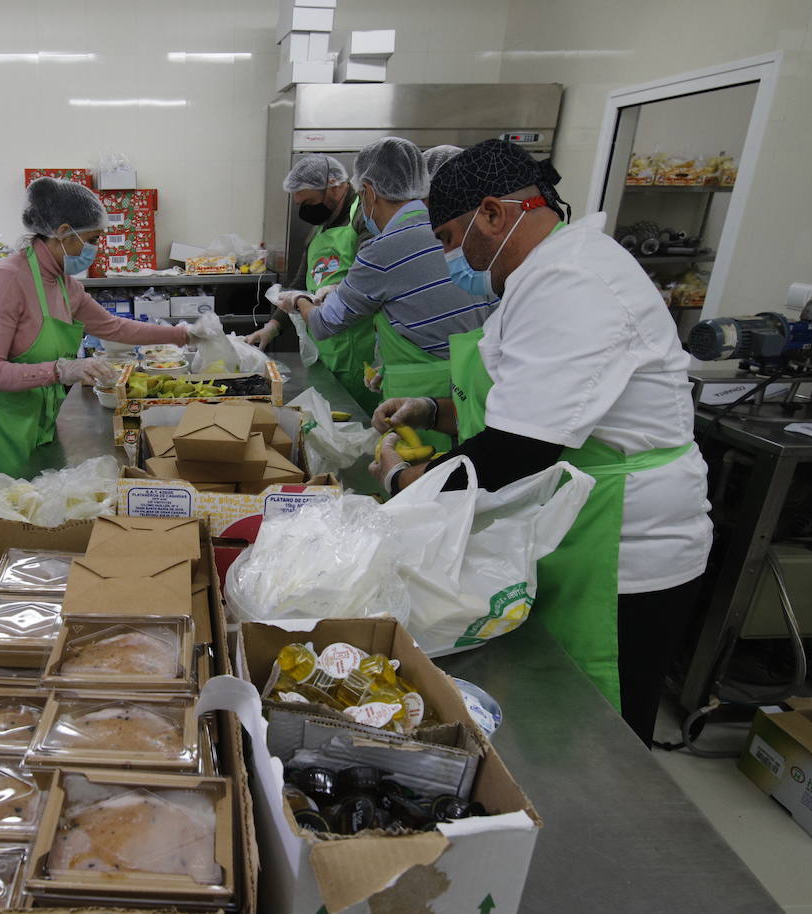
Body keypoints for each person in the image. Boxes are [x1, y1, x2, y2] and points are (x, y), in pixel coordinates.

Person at [371, 139, 712, 746]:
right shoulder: (543, 275)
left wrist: (408, 486)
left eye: (451, 239)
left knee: (601, 731)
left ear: (494, 215)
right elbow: (525, 405)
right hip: (574, 524)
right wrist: (432, 411)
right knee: (563, 717)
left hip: (623, 547)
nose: (455, 260)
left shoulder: (571, 281)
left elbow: (518, 449)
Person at [0, 178, 219, 476]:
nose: (97, 249)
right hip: (0, 428)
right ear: (63, 233)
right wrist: (60, 371)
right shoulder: (8, 279)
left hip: (39, 420)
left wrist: (185, 334)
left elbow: (114, 327)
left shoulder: (64, 284)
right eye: (93, 239)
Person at [278, 137, 495, 451]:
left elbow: (326, 323)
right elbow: (432, 311)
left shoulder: (385, 248)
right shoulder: (451, 231)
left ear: (367, 192)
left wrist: (298, 301)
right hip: (474, 389)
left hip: (423, 397)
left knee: (422, 485)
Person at [245, 154, 377, 410]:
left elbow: (372, 275)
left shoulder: (362, 217)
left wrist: (339, 290)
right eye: (300, 203)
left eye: (310, 201)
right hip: (325, 346)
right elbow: (299, 283)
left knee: (361, 420)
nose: (305, 209)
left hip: (360, 348)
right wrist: (272, 326)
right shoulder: (319, 229)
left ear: (336, 186)